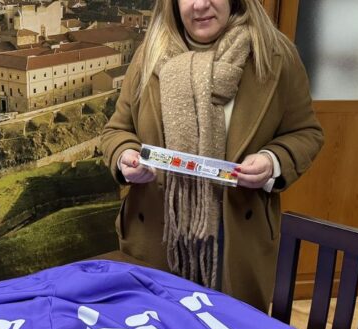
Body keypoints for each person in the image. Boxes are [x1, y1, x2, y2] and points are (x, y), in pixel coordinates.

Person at [99, 0, 323, 312]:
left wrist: (272, 161)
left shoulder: (274, 55)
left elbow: (306, 132)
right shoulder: (149, 55)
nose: (201, 5)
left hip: (236, 240)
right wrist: (125, 155)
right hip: (156, 236)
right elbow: (117, 130)